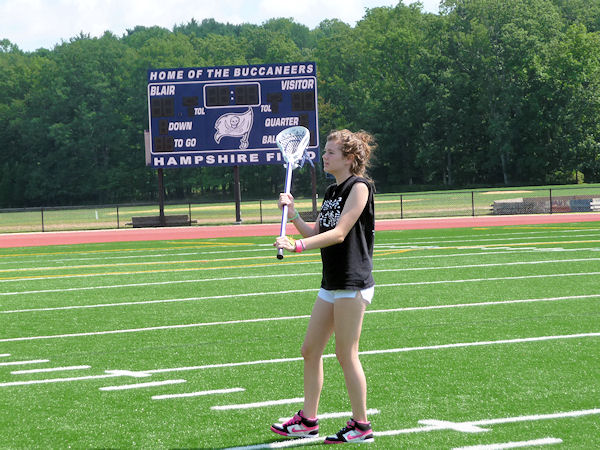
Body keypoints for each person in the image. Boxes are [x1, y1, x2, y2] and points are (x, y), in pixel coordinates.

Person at [271, 129, 376, 444]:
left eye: (331, 152)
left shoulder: (359, 188)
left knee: (346, 354)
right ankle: (308, 420)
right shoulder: (332, 190)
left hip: (352, 281)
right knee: (310, 350)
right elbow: (317, 231)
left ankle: (361, 425)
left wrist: (296, 246)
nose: (324, 157)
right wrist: (294, 215)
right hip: (331, 282)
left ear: (349, 158)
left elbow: (340, 233)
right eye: (325, 151)